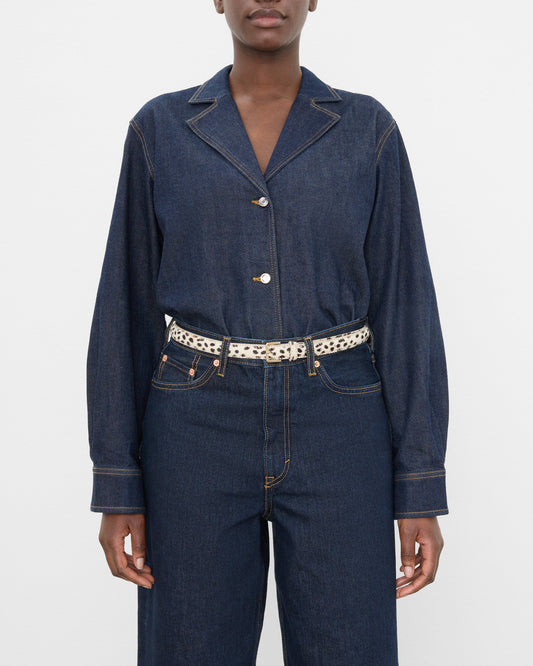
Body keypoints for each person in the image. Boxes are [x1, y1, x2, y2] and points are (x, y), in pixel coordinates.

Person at [86, 1, 449, 664]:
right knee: (188, 648)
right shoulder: (160, 130)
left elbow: (406, 308)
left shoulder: (366, 129)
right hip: (193, 426)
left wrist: (418, 486)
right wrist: (117, 482)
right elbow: (124, 307)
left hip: (339, 425)